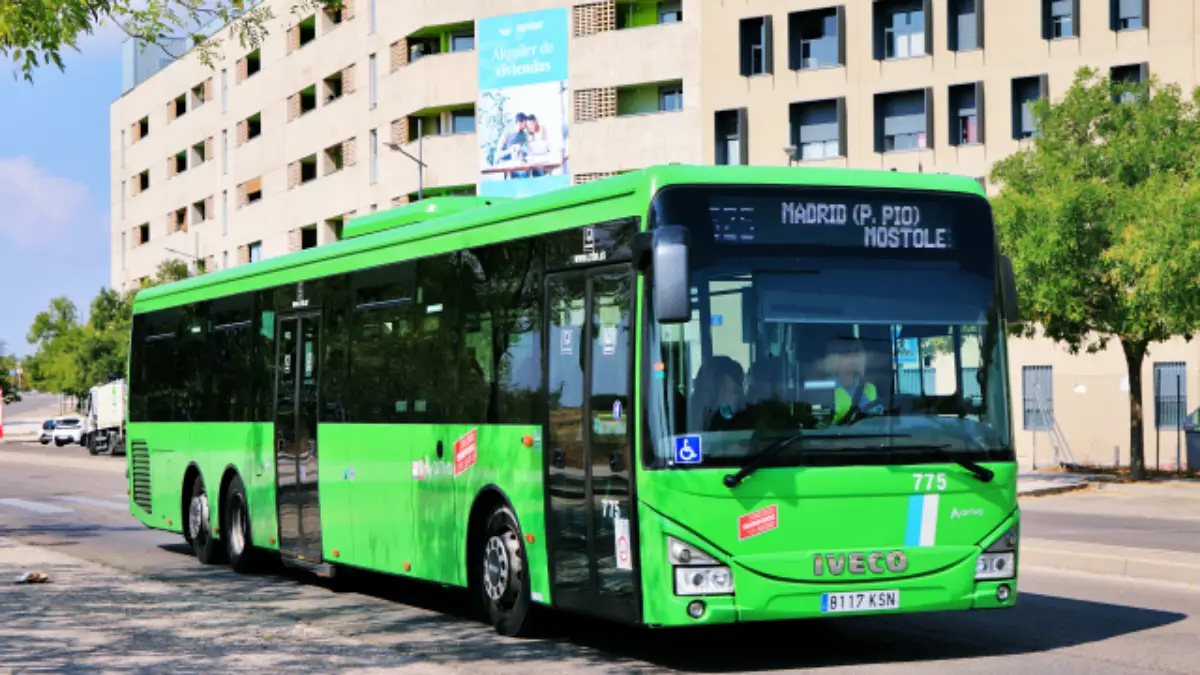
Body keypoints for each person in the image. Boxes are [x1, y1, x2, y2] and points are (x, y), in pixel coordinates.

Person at [826, 337, 884, 425]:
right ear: (834, 358)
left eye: (857, 352)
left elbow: (881, 419)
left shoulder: (870, 388)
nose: (854, 358)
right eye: (847, 353)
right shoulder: (825, 386)